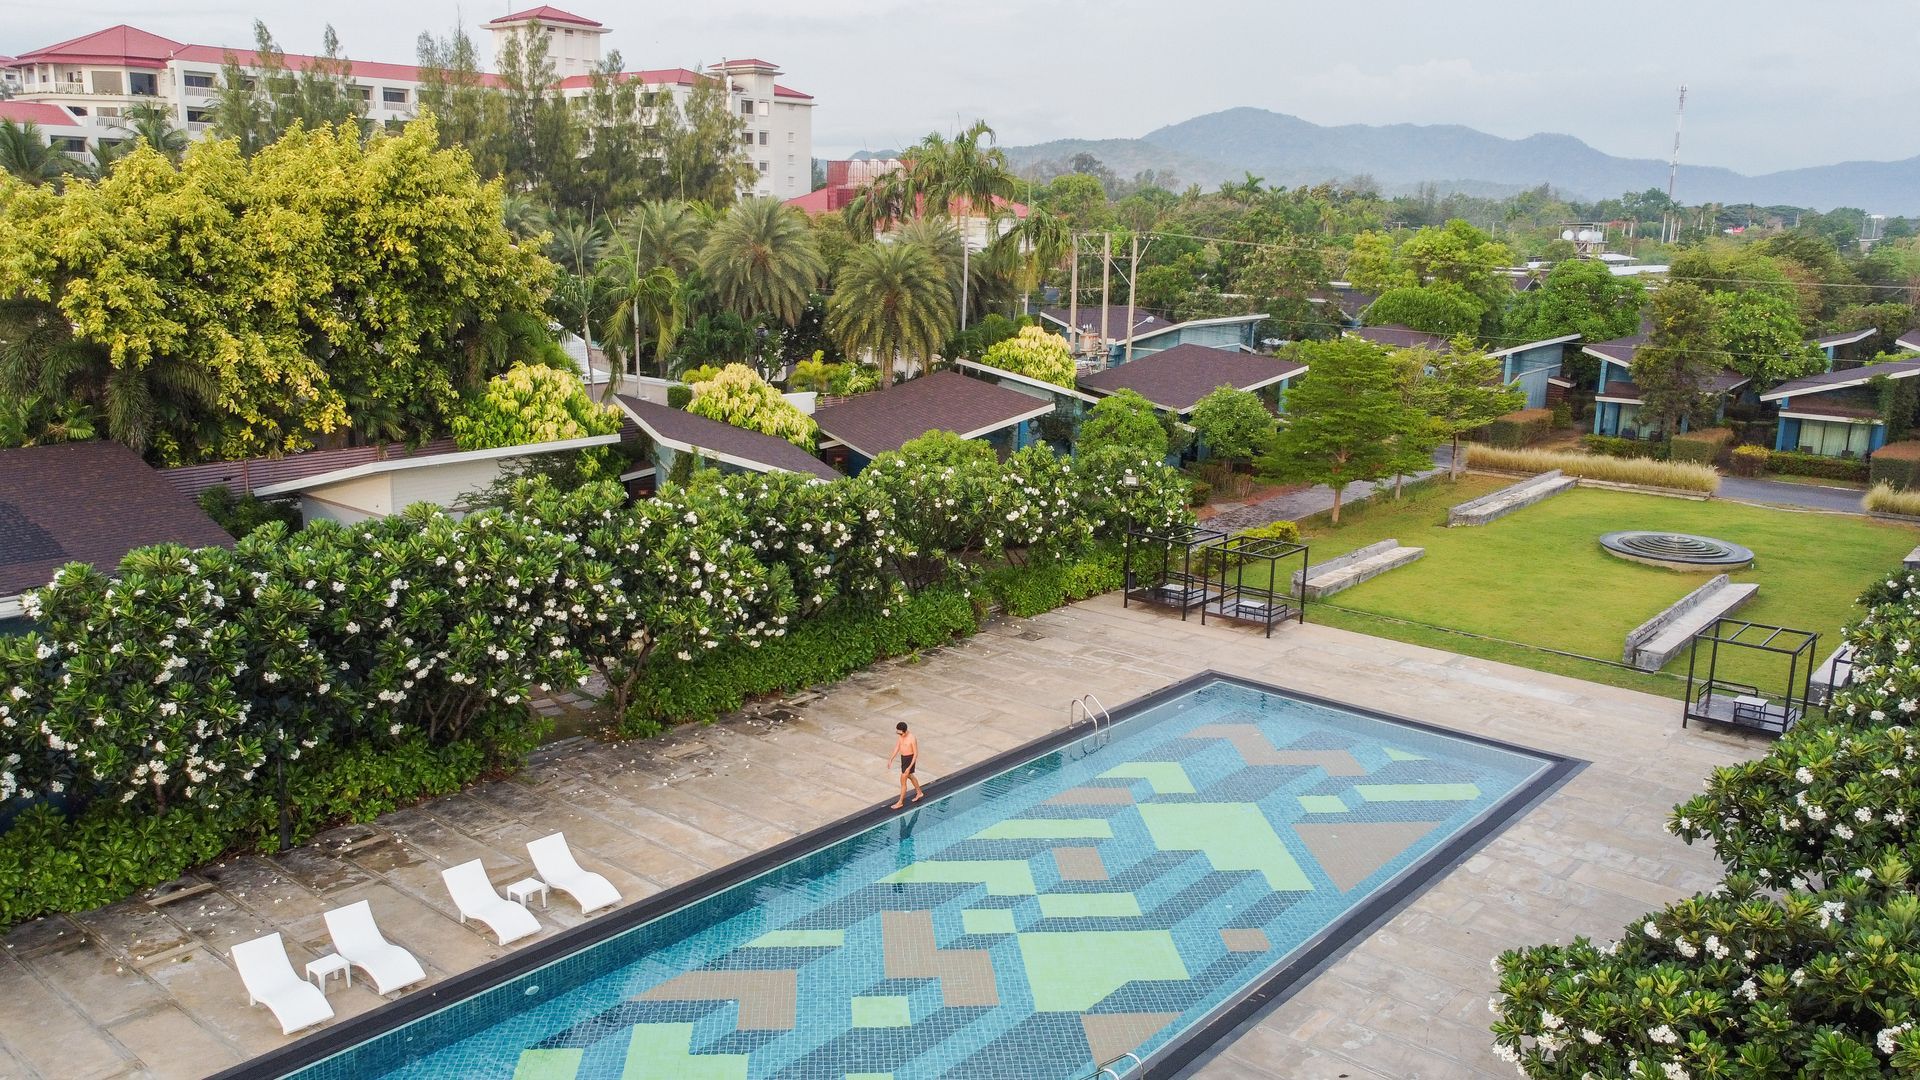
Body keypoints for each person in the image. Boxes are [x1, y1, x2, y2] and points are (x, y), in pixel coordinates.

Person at [888, 721, 925, 809]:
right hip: (903, 758)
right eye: (898, 733)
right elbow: (897, 747)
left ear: (905, 731)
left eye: (901, 734)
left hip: (909, 759)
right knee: (910, 776)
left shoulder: (912, 738)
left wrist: (909, 767)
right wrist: (891, 759)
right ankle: (919, 793)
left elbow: (915, 754)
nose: (900, 735)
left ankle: (900, 802)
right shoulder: (901, 736)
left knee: (903, 781)